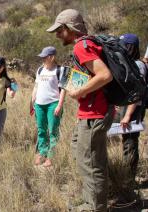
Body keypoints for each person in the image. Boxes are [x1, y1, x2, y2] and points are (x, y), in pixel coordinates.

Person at [47, 9, 114, 211]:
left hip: (95, 113)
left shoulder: (81, 47)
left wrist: (79, 92)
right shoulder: (88, 43)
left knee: (91, 162)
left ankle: (95, 207)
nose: (57, 35)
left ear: (69, 28)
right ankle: (90, 200)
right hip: (92, 111)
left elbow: (104, 75)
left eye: (59, 30)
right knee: (85, 154)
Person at [118, 34, 147, 187]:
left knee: (130, 142)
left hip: (133, 110)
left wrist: (128, 115)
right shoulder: (130, 64)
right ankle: (127, 177)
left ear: (130, 47)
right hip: (128, 108)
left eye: (123, 45)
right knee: (126, 140)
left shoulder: (138, 65)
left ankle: (129, 180)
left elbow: (137, 93)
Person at [30, 47, 66, 167]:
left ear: (52, 57)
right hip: (39, 105)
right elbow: (36, 87)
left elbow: (63, 90)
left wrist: (59, 105)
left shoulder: (60, 70)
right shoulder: (40, 70)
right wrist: (32, 102)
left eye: (44, 57)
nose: (43, 59)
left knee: (53, 131)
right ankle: (42, 153)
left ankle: (51, 156)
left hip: (53, 104)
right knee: (41, 130)